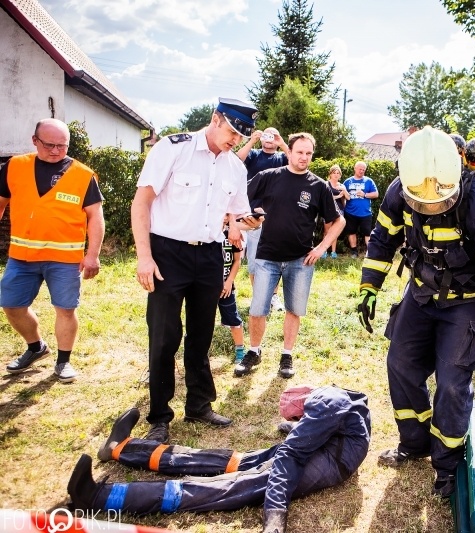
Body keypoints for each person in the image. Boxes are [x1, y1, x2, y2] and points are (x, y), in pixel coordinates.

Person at [356, 126, 475, 499]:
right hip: (421, 292)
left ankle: (447, 465)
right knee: (400, 364)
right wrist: (369, 286)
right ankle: (414, 443)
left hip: (467, 301)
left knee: (452, 384)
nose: (429, 207)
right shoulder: (401, 189)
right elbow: (383, 239)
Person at [131, 98, 262, 443]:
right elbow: (141, 202)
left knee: (201, 334)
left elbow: (236, 217)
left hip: (209, 255)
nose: (235, 140)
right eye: (232, 131)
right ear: (215, 119)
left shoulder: (235, 168)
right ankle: (159, 416)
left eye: (241, 135)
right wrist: (144, 257)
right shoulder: (174, 148)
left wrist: (247, 222)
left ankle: (199, 404)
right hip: (167, 252)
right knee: (164, 336)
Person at [67, 385, 370, 533]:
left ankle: (98, 497)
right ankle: (121, 447)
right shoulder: (331, 400)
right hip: (329, 447)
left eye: (297, 419)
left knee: (230, 487)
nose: (296, 422)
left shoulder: (325, 403)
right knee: (226, 460)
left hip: (330, 461)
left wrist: (275, 514)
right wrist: (294, 429)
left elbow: (292, 455)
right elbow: (324, 428)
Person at [1, 118, 105, 383]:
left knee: (66, 309)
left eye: (62, 145)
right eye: (49, 145)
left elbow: (95, 217)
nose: (56, 151)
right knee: (11, 305)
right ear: (34, 140)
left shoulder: (83, 175)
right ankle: (36, 347)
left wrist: (92, 255)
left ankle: (63, 361)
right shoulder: (14, 166)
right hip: (22, 257)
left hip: (64, 259)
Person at [238, 133, 345, 379]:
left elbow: (339, 221)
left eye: (308, 153)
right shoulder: (268, 176)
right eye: (299, 152)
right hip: (267, 256)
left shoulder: (319, 186)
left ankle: (287, 356)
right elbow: (238, 198)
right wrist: (244, 221)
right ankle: (253, 351)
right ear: (289, 152)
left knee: (294, 309)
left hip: (300, 260)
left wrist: (321, 248)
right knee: (257, 309)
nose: (304, 157)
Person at [237, 127, 290, 313]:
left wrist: (282, 143)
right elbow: (236, 160)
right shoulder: (253, 154)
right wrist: (251, 140)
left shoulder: (282, 157)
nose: (269, 139)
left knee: (275, 259)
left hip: (277, 215)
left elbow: (297, 161)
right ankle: (258, 296)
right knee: (254, 260)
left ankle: (273, 296)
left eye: (273, 136)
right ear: (261, 138)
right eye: (266, 135)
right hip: (254, 216)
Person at [219, 220, 246, 364]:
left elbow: (237, 261)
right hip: (207, 287)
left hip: (227, 288)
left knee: (233, 318)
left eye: (227, 214)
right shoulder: (207, 234)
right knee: (201, 321)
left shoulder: (232, 234)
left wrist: (229, 281)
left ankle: (240, 351)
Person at [343, 161, 379, 258]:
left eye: (363, 170)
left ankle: (370, 253)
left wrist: (365, 194)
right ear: (355, 168)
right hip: (350, 212)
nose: (362, 171)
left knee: (367, 233)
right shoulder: (347, 182)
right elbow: (342, 195)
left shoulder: (369, 181)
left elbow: (376, 194)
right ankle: (354, 252)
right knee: (351, 232)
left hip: (365, 213)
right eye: (360, 169)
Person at [323, 164, 349, 258]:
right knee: (327, 231)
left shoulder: (342, 185)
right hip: (328, 210)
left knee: (335, 232)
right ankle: (324, 251)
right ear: (330, 174)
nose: (336, 175)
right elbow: (325, 198)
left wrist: (344, 190)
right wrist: (338, 196)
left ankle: (333, 252)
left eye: (338, 173)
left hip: (340, 210)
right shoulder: (326, 184)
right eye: (334, 173)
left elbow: (348, 198)